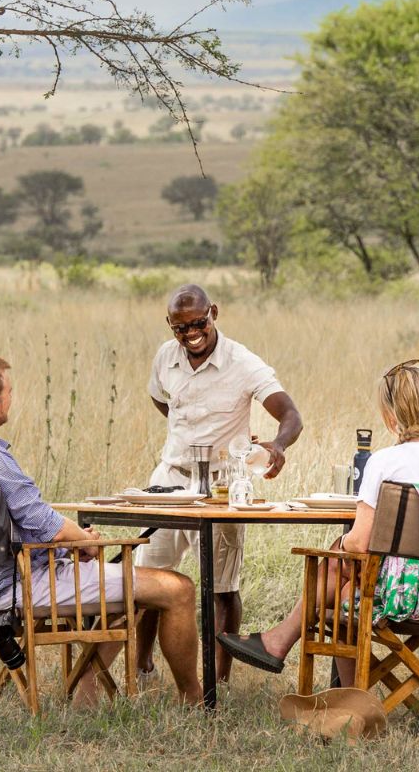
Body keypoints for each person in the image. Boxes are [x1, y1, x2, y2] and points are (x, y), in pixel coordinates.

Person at [0, 355, 203, 705]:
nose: (12, 398)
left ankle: (85, 689)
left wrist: (73, 540)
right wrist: (84, 541)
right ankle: (196, 701)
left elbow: (24, 519)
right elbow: (48, 527)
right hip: (27, 583)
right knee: (177, 588)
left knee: (136, 585)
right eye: (8, 392)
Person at [216, 359, 419, 677]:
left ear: (390, 415)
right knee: (343, 575)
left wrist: (340, 545)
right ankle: (283, 646)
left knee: (339, 583)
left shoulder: (387, 462)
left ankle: (347, 698)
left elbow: (359, 544)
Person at [133, 284, 302, 681]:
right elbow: (162, 399)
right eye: (180, 328)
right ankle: (142, 665)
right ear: (169, 326)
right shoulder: (164, 356)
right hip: (170, 479)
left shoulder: (242, 362)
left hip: (224, 485)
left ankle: (217, 677)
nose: (191, 333)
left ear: (214, 313)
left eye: (198, 323)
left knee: (221, 586)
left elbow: (290, 413)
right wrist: (185, 428)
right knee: (146, 578)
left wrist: (277, 445)